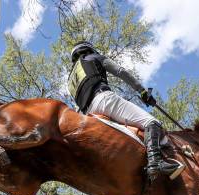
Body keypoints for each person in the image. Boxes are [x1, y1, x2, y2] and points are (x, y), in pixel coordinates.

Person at [68, 41, 182, 181]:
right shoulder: (94, 58)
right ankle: (155, 162)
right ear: (90, 49)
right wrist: (142, 91)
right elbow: (120, 71)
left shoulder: (70, 81)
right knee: (152, 122)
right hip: (104, 100)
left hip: (88, 115)